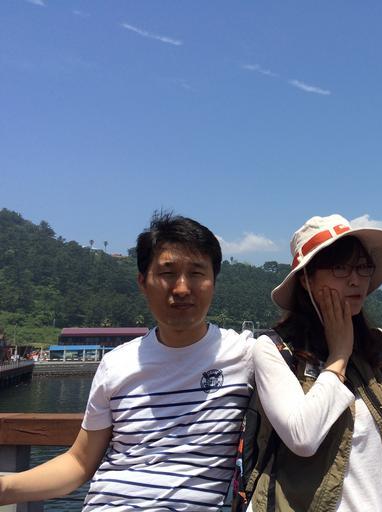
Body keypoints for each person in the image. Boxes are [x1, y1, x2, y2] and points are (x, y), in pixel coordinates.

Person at [0, 212, 254, 511]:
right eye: (168, 273)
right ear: (143, 282)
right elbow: (80, 461)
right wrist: (6, 487)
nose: (182, 288)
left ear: (214, 282)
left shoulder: (244, 355)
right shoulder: (116, 364)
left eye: (197, 273)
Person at [245, 214, 382, 512]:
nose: (355, 279)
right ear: (306, 279)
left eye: (362, 267)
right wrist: (339, 356)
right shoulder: (276, 349)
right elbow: (303, 437)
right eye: (340, 268)